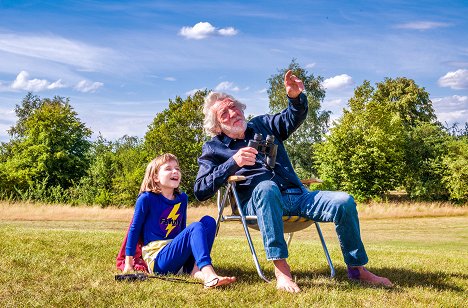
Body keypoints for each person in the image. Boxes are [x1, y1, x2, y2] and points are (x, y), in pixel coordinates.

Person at [194, 70, 392, 293]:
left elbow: (291, 118)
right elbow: (200, 190)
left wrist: (295, 98)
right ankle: (281, 270)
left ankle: (357, 269)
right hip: (257, 203)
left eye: (234, 106)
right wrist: (233, 162)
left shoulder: (263, 125)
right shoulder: (214, 147)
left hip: (298, 195)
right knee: (267, 188)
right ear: (217, 126)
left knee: (344, 201)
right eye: (224, 113)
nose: (233, 113)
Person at [124, 153, 236, 289]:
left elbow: (182, 231)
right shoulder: (147, 198)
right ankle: (209, 274)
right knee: (195, 227)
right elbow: (134, 229)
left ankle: (195, 270)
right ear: (155, 177)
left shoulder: (182, 198)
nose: (175, 171)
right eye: (168, 168)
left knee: (209, 221)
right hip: (158, 260)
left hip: (176, 255)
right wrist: (128, 264)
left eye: (177, 168)